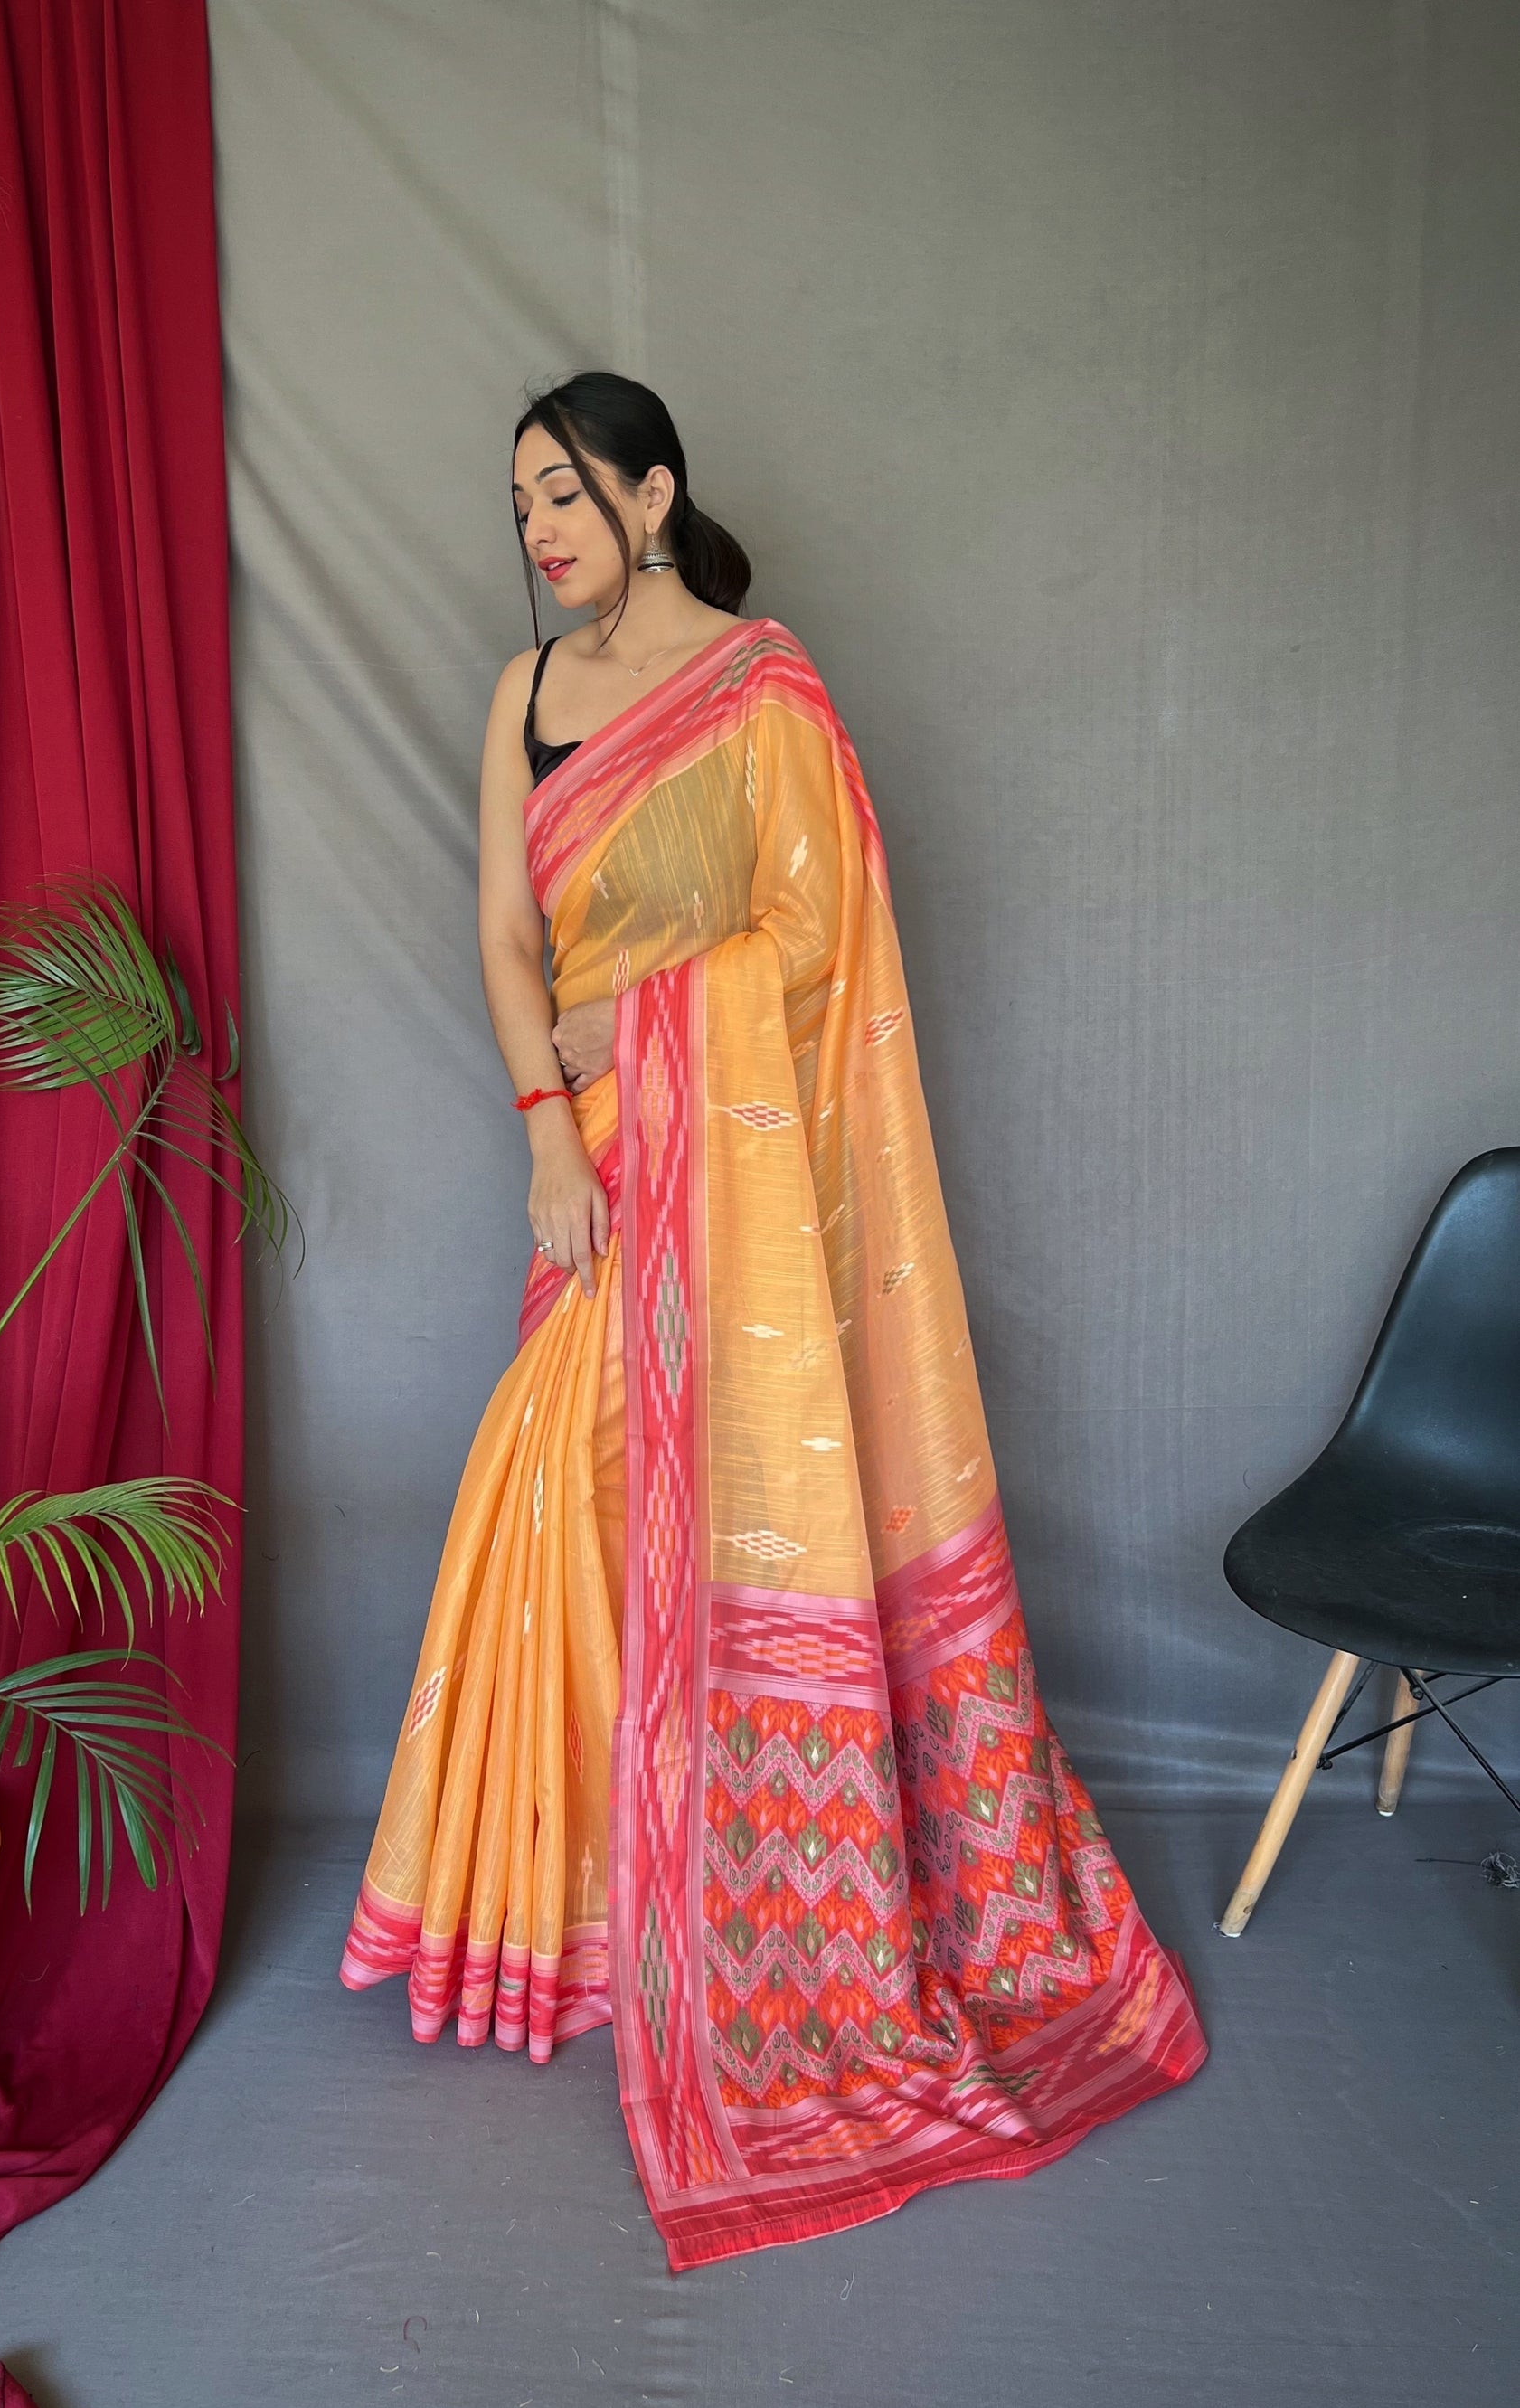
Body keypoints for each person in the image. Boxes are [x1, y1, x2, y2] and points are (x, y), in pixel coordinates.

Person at [341, 370, 1206, 2271]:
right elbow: (504, 931)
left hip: (730, 1179)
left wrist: (643, 1035)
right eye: (516, 506)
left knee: (654, 1518)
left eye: (563, 491)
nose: (539, 530)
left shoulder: (761, 687)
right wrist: (548, 1131)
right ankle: (554, 1918)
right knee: (551, 1503)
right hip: (603, 1172)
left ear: (653, 493)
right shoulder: (525, 695)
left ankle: (718, 1914)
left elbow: (816, 950)